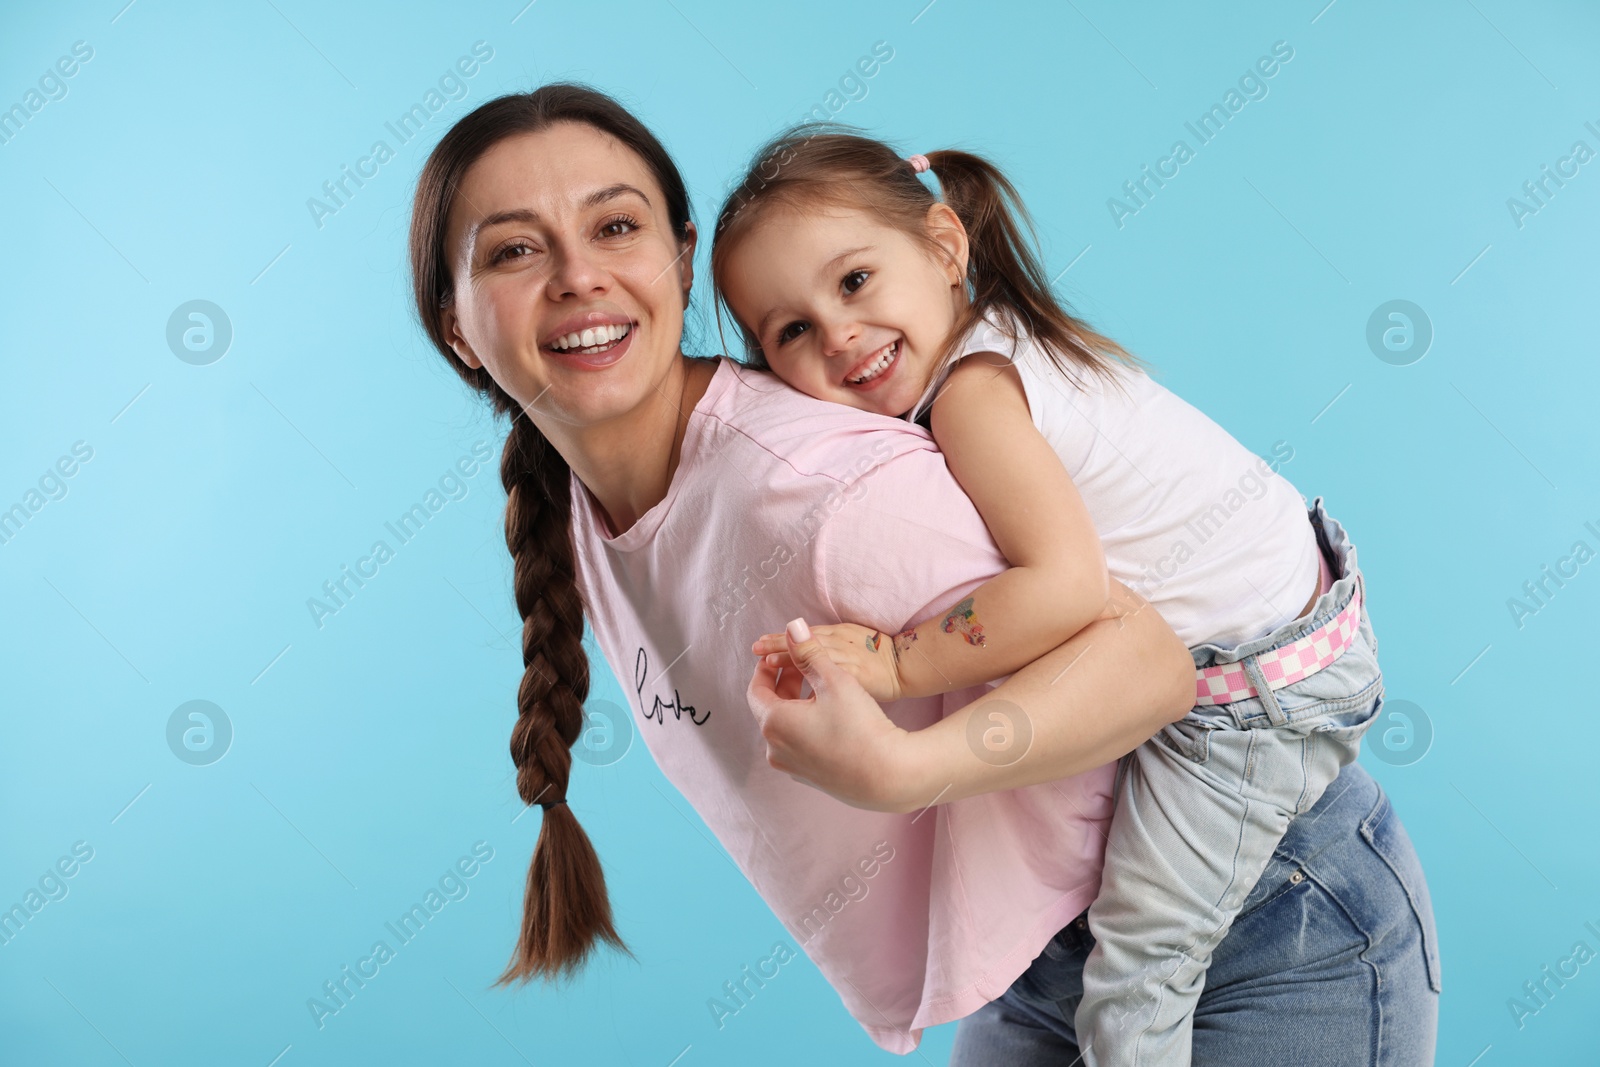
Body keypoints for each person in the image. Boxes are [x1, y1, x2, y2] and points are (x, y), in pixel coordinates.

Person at [406, 84, 1440, 1062]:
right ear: (455, 326)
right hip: (1039, 952)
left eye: (614, 225)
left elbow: (1148, 662)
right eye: (512, 250)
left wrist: (903, 734)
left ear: (678, 264)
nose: (577, 274)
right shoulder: (582, 491)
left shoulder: (834, 483)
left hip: (1267, 910)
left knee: (1138, 997)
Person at [710, 128, 1419, 1065]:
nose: (837, 334)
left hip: (1245, 705)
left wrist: (897, 659)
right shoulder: (994, 343)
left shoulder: (973, 395)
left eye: (853, 282)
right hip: (1293, 629)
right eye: (791, 330)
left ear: (943, 246)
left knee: (1136, 983)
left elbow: (1064, 585)